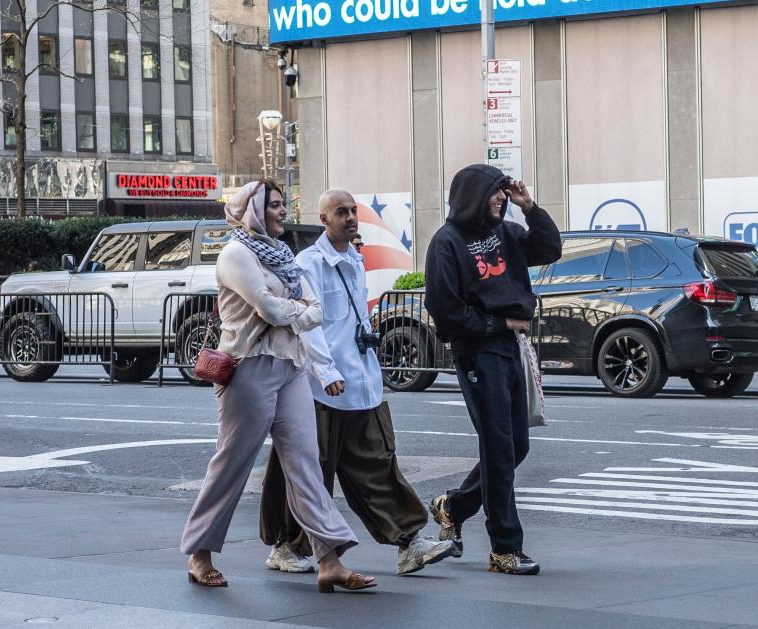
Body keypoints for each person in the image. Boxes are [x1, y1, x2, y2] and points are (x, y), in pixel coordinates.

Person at [180, 180, 376, 593]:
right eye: (273, 205)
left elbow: (315, 311)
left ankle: (329, 560)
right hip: (249, 368)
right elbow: (267, 307)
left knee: (306, 463)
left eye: (283, 203)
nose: (282, 210)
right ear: (252, 211)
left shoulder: (283, 255)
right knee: (231, 463)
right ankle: (200, 553)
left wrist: (295, 312)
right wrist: (297, 311)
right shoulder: (235, 253)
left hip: (291, 367)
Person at [259, 189, 455, 576]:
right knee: (308, 470)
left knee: (377, 464)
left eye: (353, 211)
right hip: (322, 388)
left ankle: (409, 541)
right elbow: (309, 324)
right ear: (324, 218)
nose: (350, 217)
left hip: (361, 381)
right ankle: (286, 545)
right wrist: (327, 372)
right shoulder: (308, 263)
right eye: (341, 212)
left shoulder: (353, 258)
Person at [423, 164, 561, 575]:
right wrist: (496, 324)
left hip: (510, 346)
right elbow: (443, 309)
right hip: (478, 351)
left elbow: (549, 249)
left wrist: (530, 207)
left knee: (516, 446)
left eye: (503, 191)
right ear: (470, 196)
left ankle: (454, 505)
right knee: (500, 447)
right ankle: (505, 548)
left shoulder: (506, 233)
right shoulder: (446, 243)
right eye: (493, 192)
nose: (501, 197)